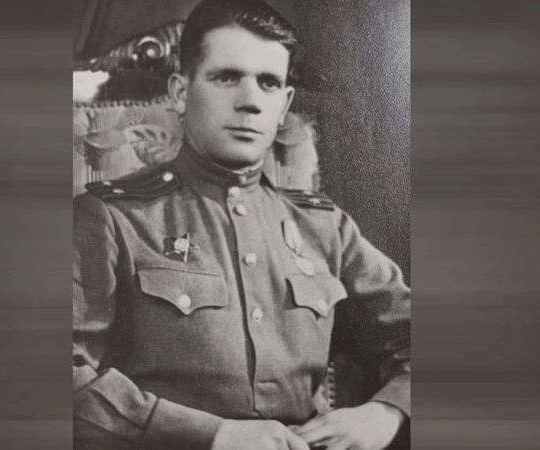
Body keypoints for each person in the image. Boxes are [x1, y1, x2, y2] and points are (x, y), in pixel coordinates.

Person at [73, 1, 410, 449]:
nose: (250, 101)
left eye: (268, 83)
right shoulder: (111, 219)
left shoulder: (325, 228)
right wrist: (211, 435)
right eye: (226, 77)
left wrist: (385, 412)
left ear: (284, 104)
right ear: (180, 92)